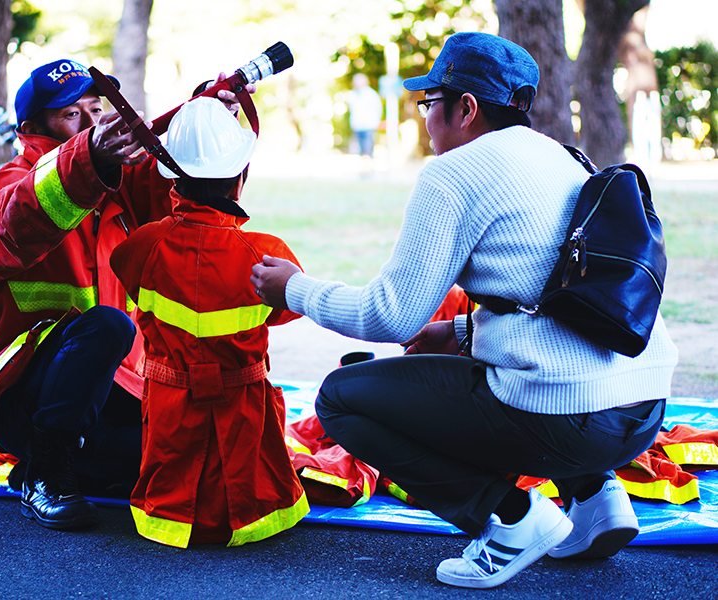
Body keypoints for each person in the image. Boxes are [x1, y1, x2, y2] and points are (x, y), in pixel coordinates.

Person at [250, 32, 677, 589]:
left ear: (466, 108)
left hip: (574, 422)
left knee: (341, 399)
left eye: (429, 104)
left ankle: (509, 517)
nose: (425, 119)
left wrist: (294, 290)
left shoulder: (454, 173)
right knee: (525, 377)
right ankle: (598, 501)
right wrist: (457, 331)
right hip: (643, 408)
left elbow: (389, 318)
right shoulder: (563, 157)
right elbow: (556, 299)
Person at [0, 58, 252, 531]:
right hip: (23, 398)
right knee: (107, 324)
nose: (92, 121)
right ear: (32, 128)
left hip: (114, 392)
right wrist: (90, 158)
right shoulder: (10, 184)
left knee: (197, 465)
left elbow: (185, 184)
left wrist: (209, 119)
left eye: (96, 108)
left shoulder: (120, 184)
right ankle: (46, 472)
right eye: (72, 114)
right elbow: (16, 222)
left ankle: (63, 465)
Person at [109, 96, 309, 548]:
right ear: (241, 178)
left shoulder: (143, 245)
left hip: (170, 417)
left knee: (168, 489)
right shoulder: (266, 252)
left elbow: (127, 269)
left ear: (172, 178)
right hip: (244, 423)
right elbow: (288, 309)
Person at [346, 73, 383, 158]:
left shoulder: (371, 94)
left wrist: (376, 122)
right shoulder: (352, 94)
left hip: (369, 124)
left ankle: (368, 166)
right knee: (360, 147)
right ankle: (364, 165)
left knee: (368, 146)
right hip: (357, 125)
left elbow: (378, 108)